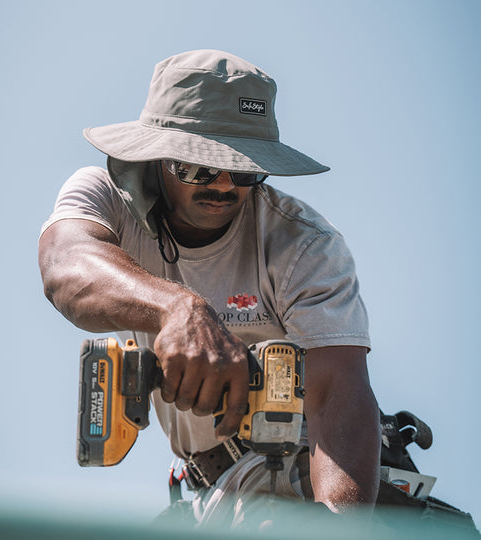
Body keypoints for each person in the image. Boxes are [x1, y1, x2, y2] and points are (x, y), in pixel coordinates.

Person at [38, 49, 380, 527]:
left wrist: (342, 529)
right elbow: (64, 266)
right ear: (156, 155)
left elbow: (337, 393)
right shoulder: (104, 197)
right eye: (198, 168)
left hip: (289, 482)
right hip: (201, 493)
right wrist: (177, 309)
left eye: (243, 171)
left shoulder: (303, 245)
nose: (223, 186)